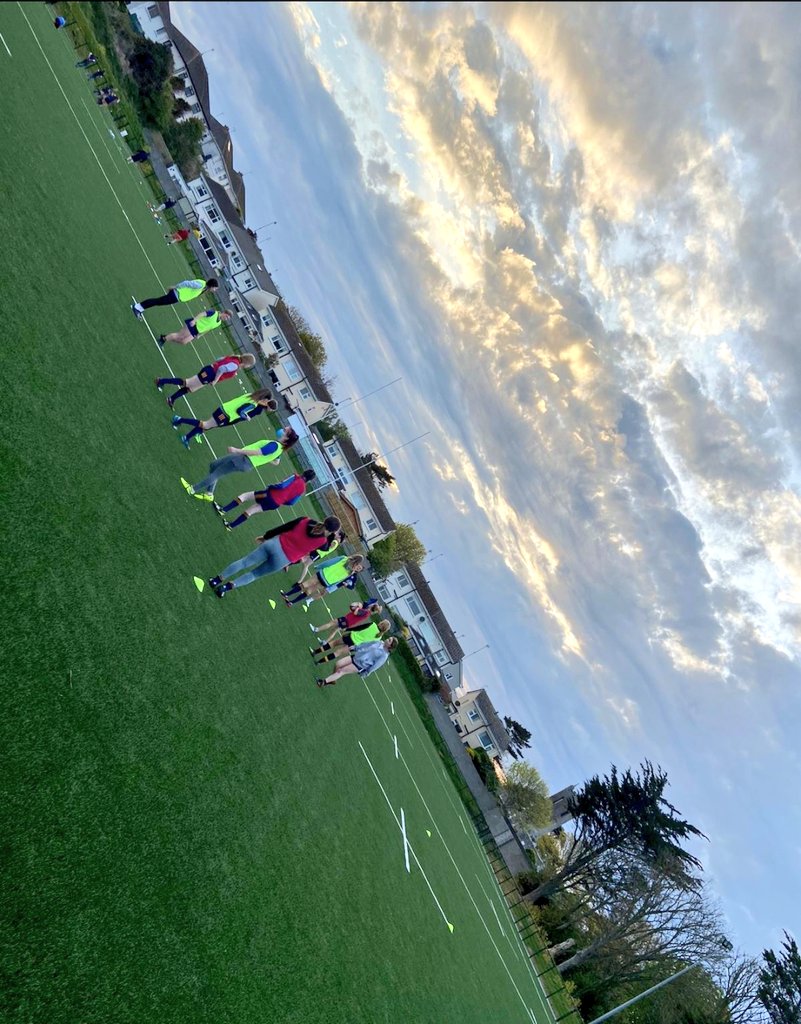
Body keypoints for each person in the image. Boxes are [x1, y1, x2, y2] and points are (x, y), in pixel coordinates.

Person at [209, 516, 341, 597]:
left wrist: (266, 536)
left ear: (325, 519)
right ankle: (224, 588)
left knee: (244, 562)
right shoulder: (323, 542)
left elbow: (283, 527)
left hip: (274, 544)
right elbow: (326, 547)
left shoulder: (305, 519)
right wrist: (331, 536)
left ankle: (216, 580)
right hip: (283, 559)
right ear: (332, 531)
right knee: (254, 574)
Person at [181, 429, 299, 501]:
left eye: (284, 430)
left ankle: (192, 489)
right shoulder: (279, 449)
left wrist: (237, 450)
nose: (281, 430)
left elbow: (257, 452)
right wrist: (265, 458)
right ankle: (209, 493)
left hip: (243, 459)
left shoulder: (274, 445)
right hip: (244, 461)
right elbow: (276, 462)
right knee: (214, 465)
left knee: (216, 474)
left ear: (286, 438)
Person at [171, 389, 276, 448]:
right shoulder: (253, 404)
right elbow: (240, 411)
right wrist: (246, 416)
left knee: (205, 426)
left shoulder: (250, 395)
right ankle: (179, 420)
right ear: (264, 398)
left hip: (223, 409)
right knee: (205, 425)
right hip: (226, 414)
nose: (267, 403)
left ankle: (186, 437)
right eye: (267, 401)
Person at [219, 469, 316, 529]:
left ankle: (223, 510)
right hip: (275, 504)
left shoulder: (295, 477)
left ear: (304, 472)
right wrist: (282, 500)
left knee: (245, 496)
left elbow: (282, 485)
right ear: (309, 480)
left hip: (268, 495)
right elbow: (292, 502)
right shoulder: (302, 490)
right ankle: (231, 526)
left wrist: (272, 487)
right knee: (252, 510)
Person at [155, 352, 255, 407]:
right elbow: (221, 368)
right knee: (186, 383)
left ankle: (172, 399)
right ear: (247, 363)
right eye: (249, 365)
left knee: (190, 388)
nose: (247, 367)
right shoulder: (235, 365)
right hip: (209, 374)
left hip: (209, 371)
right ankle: (161, 381)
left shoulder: (235, 358)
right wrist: (215, 380)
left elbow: (219, 359)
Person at [281, 554, 364, 605]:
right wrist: (329, 586)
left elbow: (330, 562)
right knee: (309, 591)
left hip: (322, 574)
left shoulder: (344, 558)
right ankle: (291, 602)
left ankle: (286, 595)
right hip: (327, 582)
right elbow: (339, 581)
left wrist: (319, 566)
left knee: (305, 585)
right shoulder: (350, 572)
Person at [316, 637, 398, 687]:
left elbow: (375, 666)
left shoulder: (384, 655)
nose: (387, 639)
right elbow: (366, 644)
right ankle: (332, 680)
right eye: (389, 638)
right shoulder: (379, 642)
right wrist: (355, 647)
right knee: (338, 664)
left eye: (389, 640)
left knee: (341, 671)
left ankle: (324, 682)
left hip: (360, 665)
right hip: (356, 656)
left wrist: (366, 672)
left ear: (390, 646)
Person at [132, 277, 218, 320]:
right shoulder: (200, 285)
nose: (214, 290)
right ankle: (138, 307)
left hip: (177, 297)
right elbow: (186, 283)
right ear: (212, 285)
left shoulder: (203, 288)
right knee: (157, 301)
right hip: (176, 294)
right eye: (215, 288)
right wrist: (175, 287)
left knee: (158, 302)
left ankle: (140, 307)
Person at [311, 619, 392, 664]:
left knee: (333, 643)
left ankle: (315, 652)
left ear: (381, 623)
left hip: (350, 637)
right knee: (337, 653)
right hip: (354, 646)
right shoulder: (379, 638)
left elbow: (359, 627)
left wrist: (347, 629)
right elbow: (367, 645)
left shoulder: (373, 624)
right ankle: (319, 662)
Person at [309, 600, 382, 645]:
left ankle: (316, 629)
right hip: (348, 622)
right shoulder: (367, 613)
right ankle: (324, 642)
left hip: (347, 620)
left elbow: (356, 613)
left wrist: (358, 607)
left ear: (372, 606)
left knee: (331, 623)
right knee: (334, 630)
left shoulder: (366, 612)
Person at [158, 308, 231, 347]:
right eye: (227, 316)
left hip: (197, 332)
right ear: (224, 313)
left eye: (228, 318)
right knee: (179, 336)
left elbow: (208, 329)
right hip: (194, 324)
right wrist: (194, 320)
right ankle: (163, 339)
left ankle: (166, 337)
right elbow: (202, 314)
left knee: (183, 342)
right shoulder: (214, 313)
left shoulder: (219, 322)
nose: (226, 318)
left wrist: (200, 335)